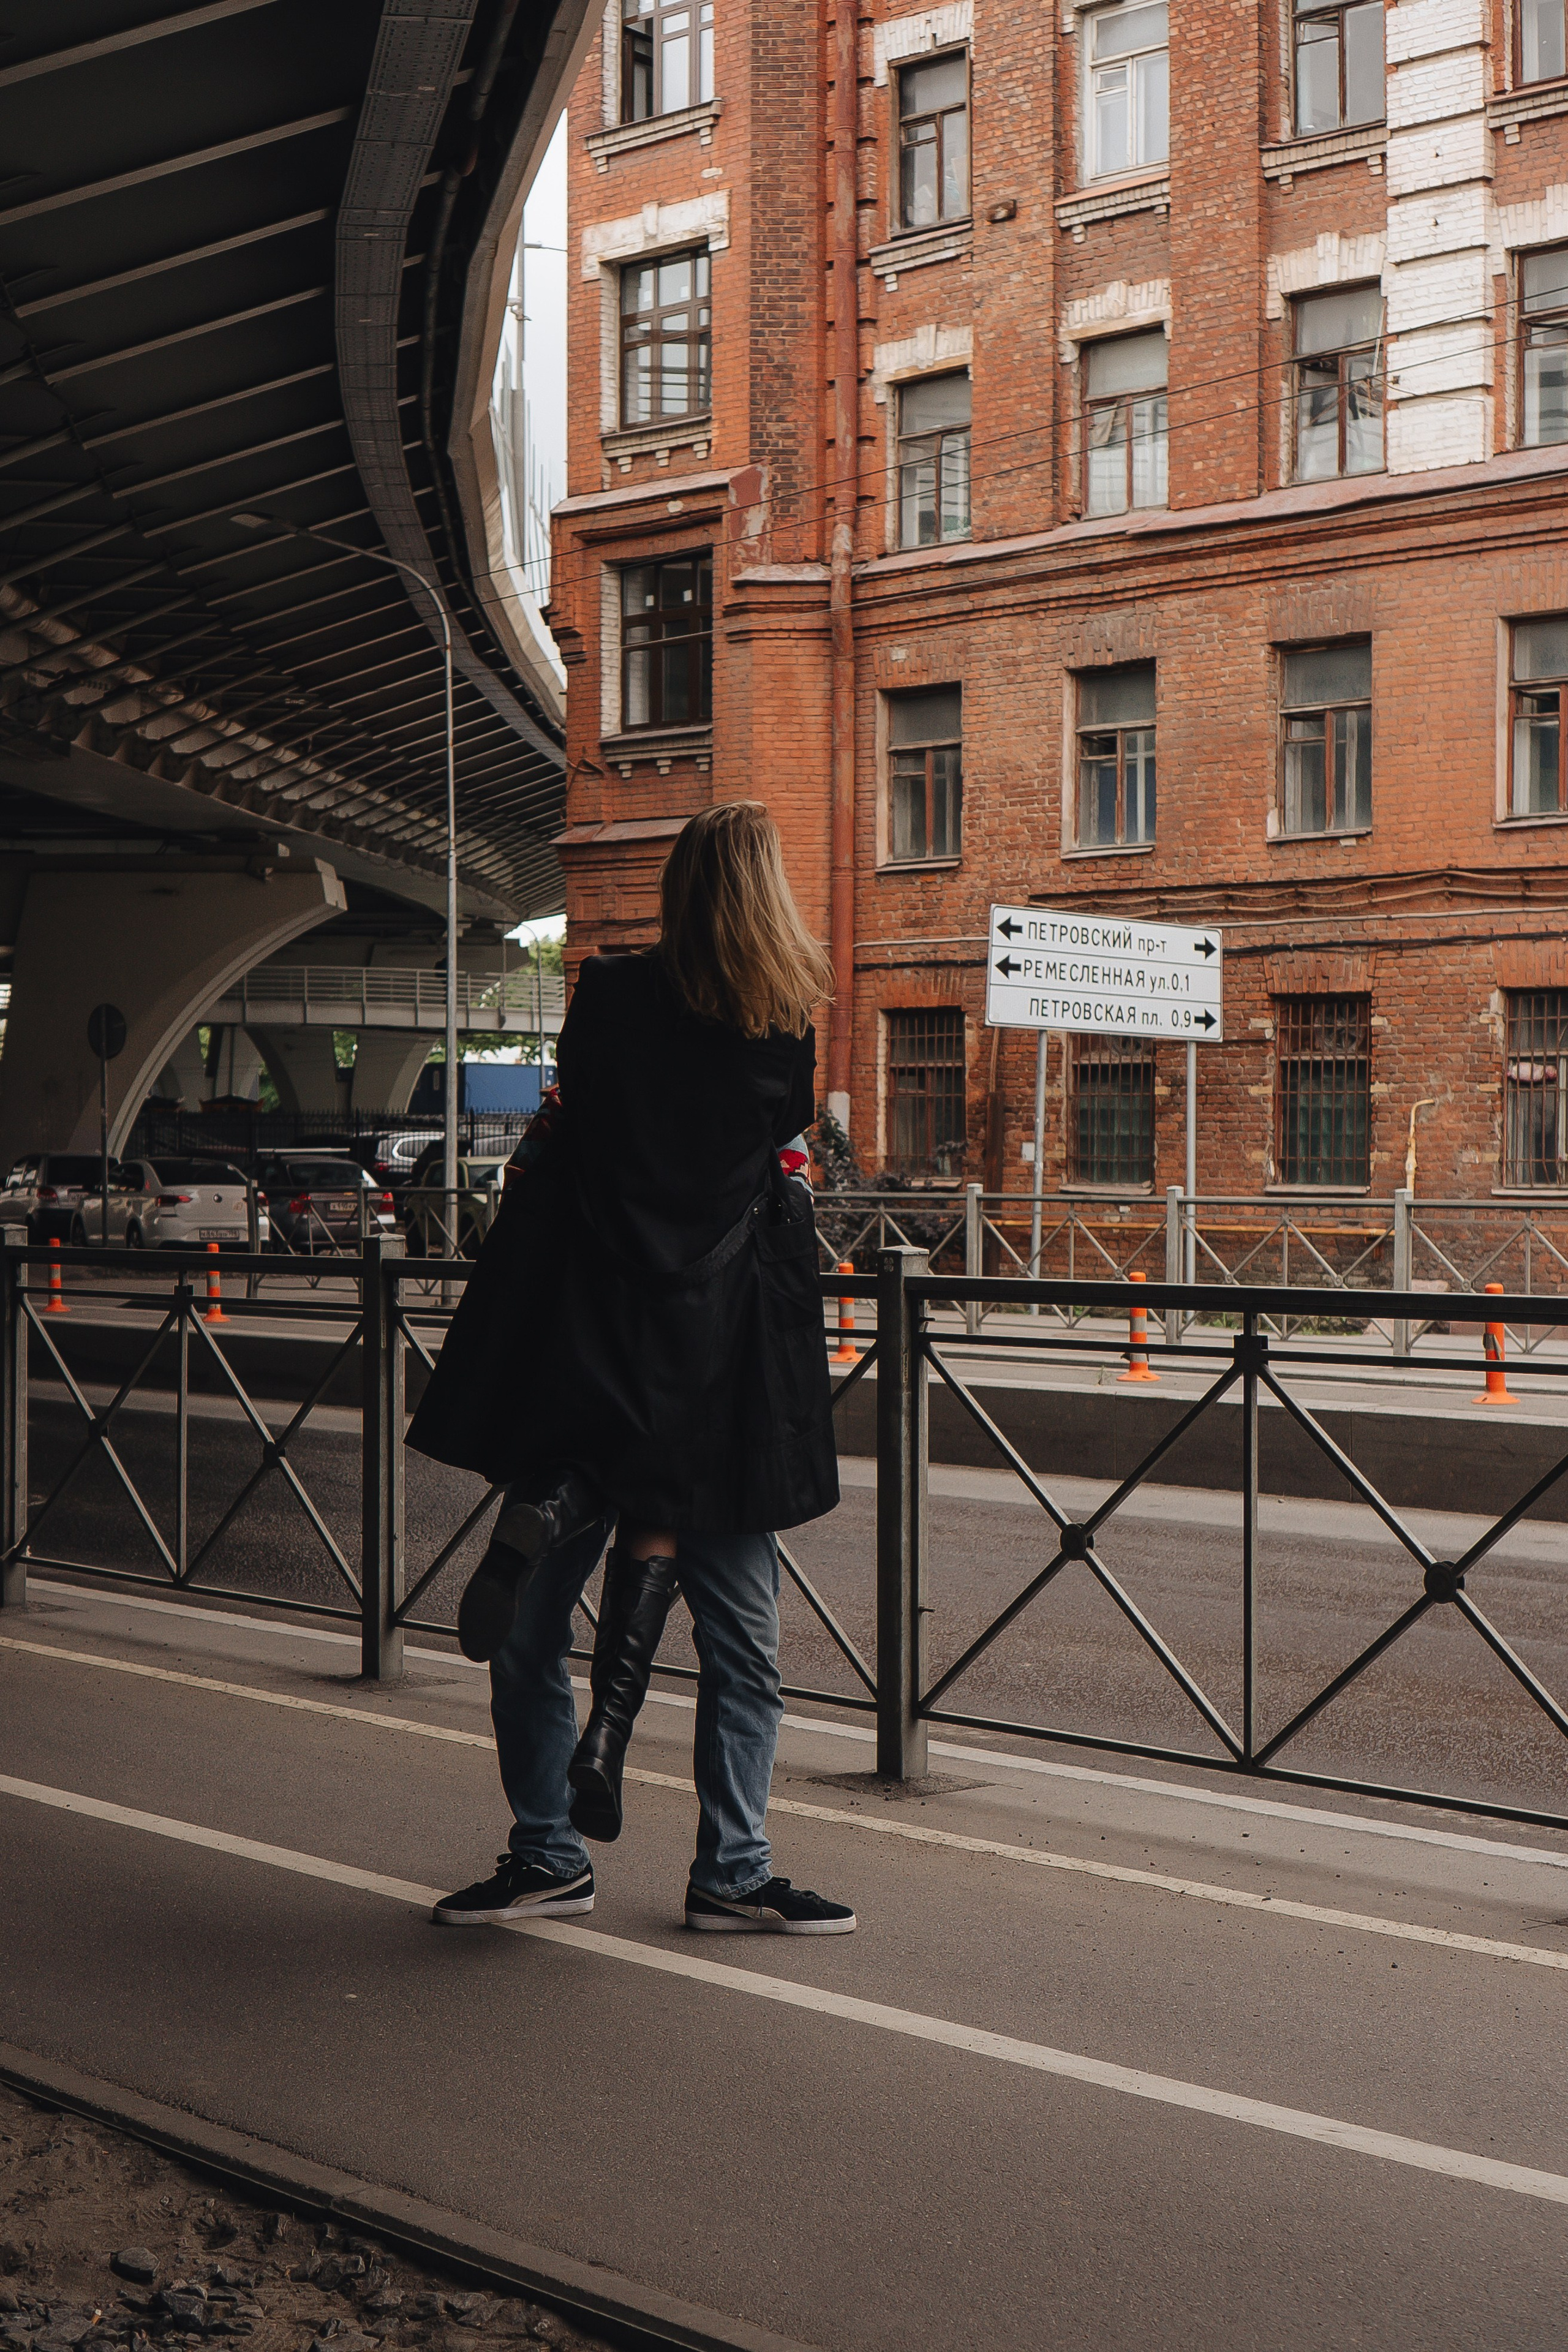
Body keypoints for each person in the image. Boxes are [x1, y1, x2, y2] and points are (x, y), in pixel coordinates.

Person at [409, 802, 856, 1936]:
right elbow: (775, 1161)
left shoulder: (605, 996)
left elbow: (579, 1138)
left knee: (529, 1629)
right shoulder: (780, 1025)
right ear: (769, 894)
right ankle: (732, 1871)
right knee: (743, 1644)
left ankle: (548, 1854)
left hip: (593, 1357)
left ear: (679, 888)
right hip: (720, 1378)